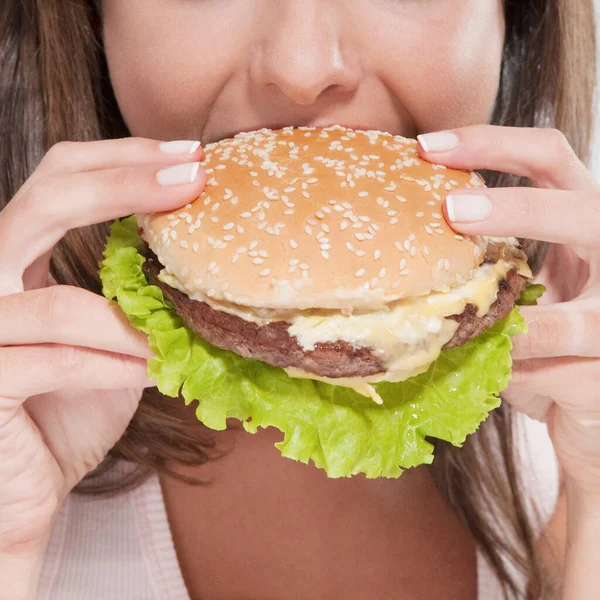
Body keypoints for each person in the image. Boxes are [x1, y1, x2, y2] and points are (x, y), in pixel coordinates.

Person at [0, 1, 598, 598]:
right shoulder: (25, 421)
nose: (303, 69)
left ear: (518, 18)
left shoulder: (569, 429)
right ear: (92, 22)